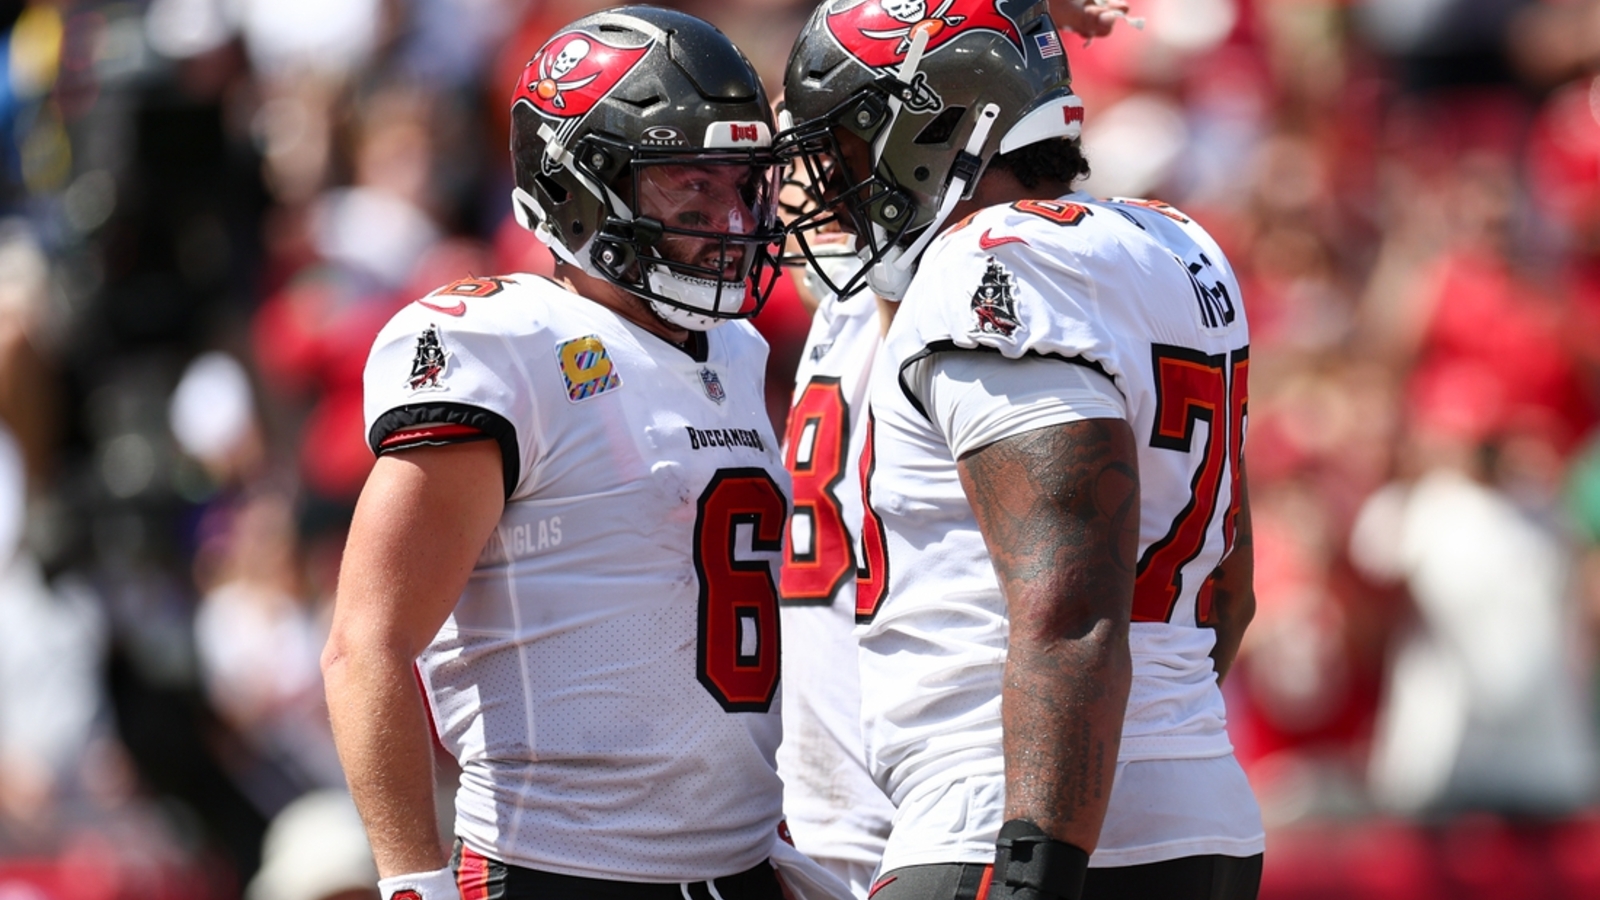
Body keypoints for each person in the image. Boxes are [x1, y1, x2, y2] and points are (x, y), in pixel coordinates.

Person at [322, 8, 851, 900]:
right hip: (559, 869)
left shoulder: (735, 348)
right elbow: (367, 644)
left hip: (745, 865)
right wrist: (413, 881)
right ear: (579, 187)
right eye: (691, 190)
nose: (730, 219)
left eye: (744, 185)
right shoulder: (504, 345)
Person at [775, 0, 1264, 897]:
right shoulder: (1173, 244)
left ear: (931, 134)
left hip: (1002, 811)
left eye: (847, 144)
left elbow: (1071, 614)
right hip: (1196, 805)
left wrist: (1036, 869)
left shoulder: (983, 265)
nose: (830, 181)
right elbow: (1227, 591)